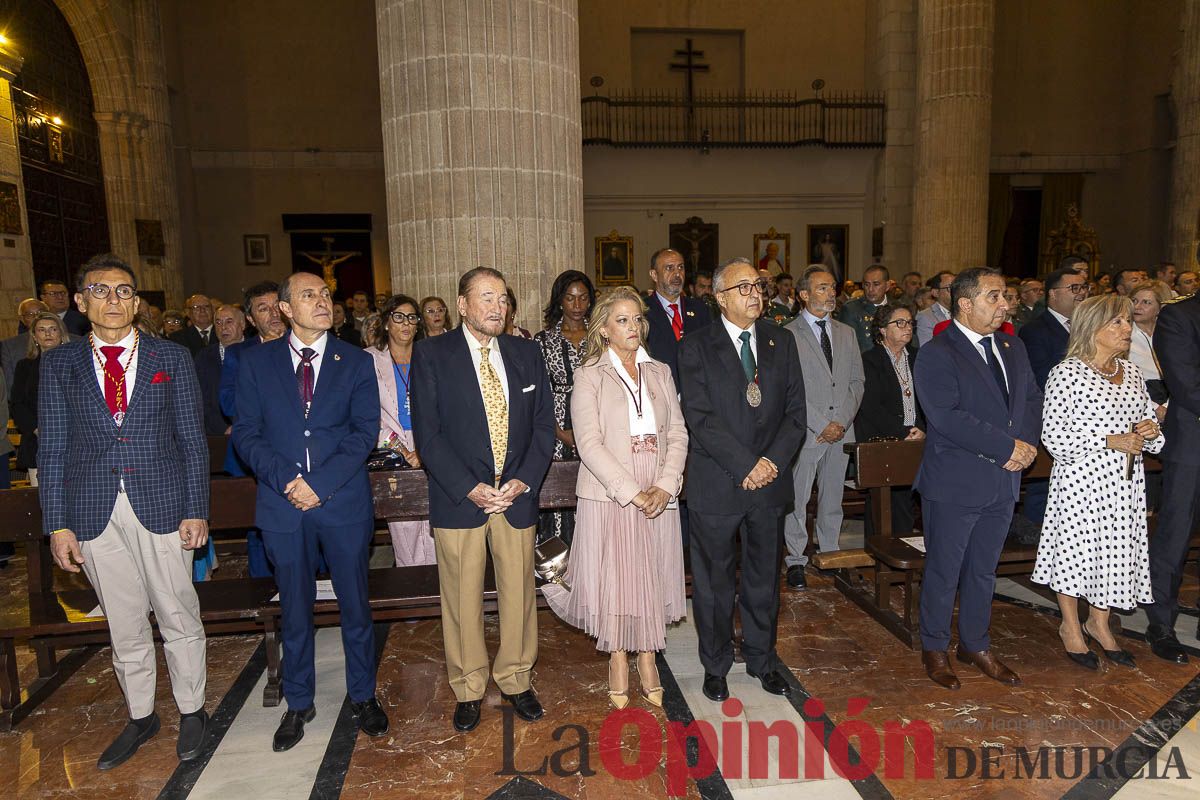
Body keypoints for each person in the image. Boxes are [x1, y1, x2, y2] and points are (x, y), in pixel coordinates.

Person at [39, 254, 210, 768]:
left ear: (136, 302)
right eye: (101, 290)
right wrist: (57, 523)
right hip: (91, 510)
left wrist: (196, 508)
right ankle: (141, 715)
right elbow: (52, 449)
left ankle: (192, 709)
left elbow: (192, 440)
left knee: (177, 610)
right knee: (124, 621)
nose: (113, 300)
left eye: (123, 291)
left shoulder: (170, 358)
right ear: (80, 301)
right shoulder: (59, 363)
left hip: (161, 503)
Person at [232, 271, 389, 751]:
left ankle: (363, 695)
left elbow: (364, 433)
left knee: (355, 606)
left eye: (325, 294)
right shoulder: (257, 364)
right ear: (284, 308)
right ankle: (299, 703)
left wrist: (317, 485)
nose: (322, 301)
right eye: (309, 295)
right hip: (283, 507)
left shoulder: (356, 361)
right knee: (295, 610)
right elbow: (245, 433)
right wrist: (287, 482)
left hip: (341, 503)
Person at [411, 267, 554, 733]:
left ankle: (515, 677)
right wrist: (469, 486)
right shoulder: (432, 354)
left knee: (519, 596)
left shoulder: (526, 353)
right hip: (460, 497)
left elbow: (544, 428)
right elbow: (428, 435)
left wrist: (524, 480)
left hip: (515, 497)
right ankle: (469, 685)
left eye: (503, 298)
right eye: (486, 297)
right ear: (463, 304)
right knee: (460, 597)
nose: (498, 306)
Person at [542, 287, 687, 709]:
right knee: (619, 579)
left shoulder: (659, 370)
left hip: (657, 482)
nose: (633, 327)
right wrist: (632, 492)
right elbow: (588, 443)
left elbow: (677, 432)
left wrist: (665, 483)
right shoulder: (589, 374)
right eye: (622, 320)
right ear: (604, 328)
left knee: (651, 574)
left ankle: (648, 657)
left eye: (637, 319)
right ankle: (620, 659)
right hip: (613, 491)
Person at [678, 257, 807, 702]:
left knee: (762, 579)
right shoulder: (695, 346)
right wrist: (746, 464)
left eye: (758, 285)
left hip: (769, 484)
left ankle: (762, 659)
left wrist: (768, 462)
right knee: (714, 583)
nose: (754, 294)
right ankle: (715, 665)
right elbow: (699, 416)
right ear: (719, 298)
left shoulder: (780, 341)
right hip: (717, 483)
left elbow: (795, 415)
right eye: (743, 288)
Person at [913, 267, 1042, 691]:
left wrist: (1025, 445)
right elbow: (947, 417)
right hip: (956, 482)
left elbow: (1029, 401)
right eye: (994, 297)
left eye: (1004, 295)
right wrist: (1008, 448)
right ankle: (935, 646)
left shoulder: (1012, 345)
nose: (1005, 304)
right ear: (964, 304)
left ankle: (975, 643)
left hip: (1003, 483)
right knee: (944, 570)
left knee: (984, 570)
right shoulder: (937, 352)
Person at [1033, 295, 1163, 670]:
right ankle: (1071, 627)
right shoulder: (1067, 374)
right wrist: (1109, 440)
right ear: (1094, 329)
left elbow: (1145, 426)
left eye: (1127, 322)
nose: (1128, 330)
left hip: (1125, 482)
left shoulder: (1132, 372)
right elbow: (1054, 438)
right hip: (1082, 481)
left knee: (1116, 554)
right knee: (1077, 553)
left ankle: (1100, 622)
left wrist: (1150, 430)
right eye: (1119, 323)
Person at [782, 266, 865, 589]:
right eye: (822, 288)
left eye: (832, 288)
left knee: (833, 497)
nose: (831, 293)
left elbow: (857, 381)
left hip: (842, 430)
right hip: (807, 430)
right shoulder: (788, 334)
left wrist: (841, 422)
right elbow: (790, 389)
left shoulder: (846, 333)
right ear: (803, 295)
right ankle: (796, 559)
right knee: (798, 499)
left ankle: (829, 552)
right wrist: (821, 423)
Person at [1144, 290, 1200, 664]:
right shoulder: (1179, 317)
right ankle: (1161, 624)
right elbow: (1186, 384)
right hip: (1193, 444)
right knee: (1175, 536)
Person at [219, 281, 288, 578]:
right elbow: (229, 400)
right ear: (250, 319)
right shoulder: (239, 354)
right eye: (263, 308)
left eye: (277, 306)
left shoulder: (305, 346)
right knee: (259, 531)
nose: (273, 314)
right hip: (253, 460)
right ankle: (265, 597)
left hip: (302, 456)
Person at [367, 294, 435, 566]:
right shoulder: (370, 360)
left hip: (429, 444)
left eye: (412, 318)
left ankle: (436, 592)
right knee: (404, 527)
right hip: (392, 449)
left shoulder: (429, 356)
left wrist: (425, 448)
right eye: (398, 317)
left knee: (432, 525)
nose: (406, 324)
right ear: (386, 323)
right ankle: (413, 589)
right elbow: (369, 415)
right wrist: (404, 450)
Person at [533, 270, 594, 546]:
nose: (577, 305)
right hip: (555, 426)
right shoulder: (543, 341)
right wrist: (558, 431)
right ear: (560, 302)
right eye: (570, 298)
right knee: (557, 497)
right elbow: (538, 393)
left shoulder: (602, 336)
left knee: (592, 495)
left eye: (583, 298)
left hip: (596, 424)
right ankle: (557, 570)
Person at [857, 305, 924, 535]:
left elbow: (928, 399)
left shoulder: (918, 357)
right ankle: (878, 555)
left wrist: (921, 429)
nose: (907, 327)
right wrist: (902, 432)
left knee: (905, 502)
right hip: (882, 440)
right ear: (883, 330)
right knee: (881, 504)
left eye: (909, 322)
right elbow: (870, 406)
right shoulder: (869, 360)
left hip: (915, 439)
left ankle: (903, 554)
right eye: (900, 323)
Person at [643, 248, 713, 391]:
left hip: (697, 395)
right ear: (654, 275)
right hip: (660, 393)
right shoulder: (642, 311)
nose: (677, 274)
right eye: (669, 268)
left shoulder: (700, 310)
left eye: (680, 267)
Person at [11, 311, 67, 487]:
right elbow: (17, 404)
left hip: (75, 439)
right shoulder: (24, 366)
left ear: (61, 334)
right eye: (42, 330)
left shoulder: (76, 363)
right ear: (35, 336)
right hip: (37, 440)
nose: (48, 334)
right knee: (42, 499)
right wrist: (37, 429)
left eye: (53, 329)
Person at [1129, 280, 1173, 416]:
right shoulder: (1122, 335)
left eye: (1146, 302)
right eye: (1134, 300)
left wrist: (1168, 406)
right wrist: (1154, 407)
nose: (1137, 306)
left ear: (1160, 308)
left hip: (1173, 397)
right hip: (1138, 401)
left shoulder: (1172, 335)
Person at [837, 264, 890, 352]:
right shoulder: (851, 309)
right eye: (866, 284)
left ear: (887, 286)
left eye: (876, 284)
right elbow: (844, 347)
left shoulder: (898, 307)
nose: (870, 289)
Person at [2, 298, 49, 389]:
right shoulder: (9, 346)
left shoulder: (74, 340)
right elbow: (10, 384)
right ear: (22, 319)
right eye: (29, 315)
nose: (36, 317)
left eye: (40, 312)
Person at [915, 271, 955, 346]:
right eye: (950, 288)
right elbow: (927, 348)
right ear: (935, 293)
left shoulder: (964, 313)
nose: (955, 291)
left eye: (956, 287)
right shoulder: (926, 316)